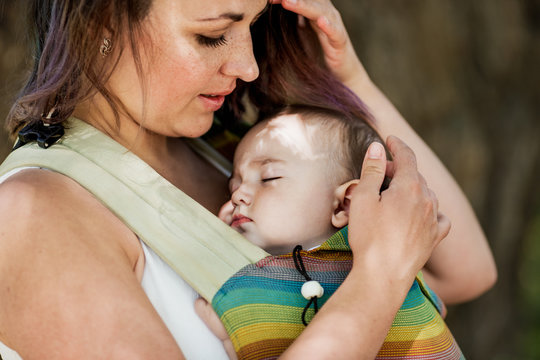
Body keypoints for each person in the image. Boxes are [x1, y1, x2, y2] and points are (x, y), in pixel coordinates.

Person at [0, 1, 495, 359]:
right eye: (213, 34)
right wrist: (379, 279)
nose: (248, 66)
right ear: (105, 20)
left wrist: (350, 84)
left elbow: (463, 274)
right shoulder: (32, 215)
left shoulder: (229, 156)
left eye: (254, 26)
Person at [194, 104, 464, 359]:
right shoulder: (248, 288)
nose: (239, 194)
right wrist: (233, 337)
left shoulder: (394, 257)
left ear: (345, 204)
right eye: (233, 186)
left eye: (269, 178)